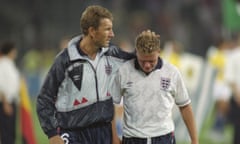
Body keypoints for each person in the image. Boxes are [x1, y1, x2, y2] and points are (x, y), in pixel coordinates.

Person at [36, 5, 134, 144]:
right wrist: (52, 134)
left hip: (103, 133)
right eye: (107, 29)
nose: (112, 34)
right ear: (92, 31)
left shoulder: (111, 54)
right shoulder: (65, 60)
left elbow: (138, 60)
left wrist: (148, 44)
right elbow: (44, 99)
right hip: (73, 134)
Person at [111, 30, 199, 144]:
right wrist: (114, 137)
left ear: (159, 52)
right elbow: (111, 105)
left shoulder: (172, 72)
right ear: (136, 52)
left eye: (151, 60)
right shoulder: (124, 72)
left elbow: (185, 106)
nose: (147, 65)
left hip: (164, 138)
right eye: (143, 61)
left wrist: (194, 140)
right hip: (133, 138)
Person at [0, 41, 20, 144]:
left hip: (12, 101)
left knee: (11, 131)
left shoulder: (10, 64)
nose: (16, 52)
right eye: (14, 50)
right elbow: (1, 85)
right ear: (10, 51)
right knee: (6, 132)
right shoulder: (2, 64)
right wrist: (5, 103)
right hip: (5, 102)